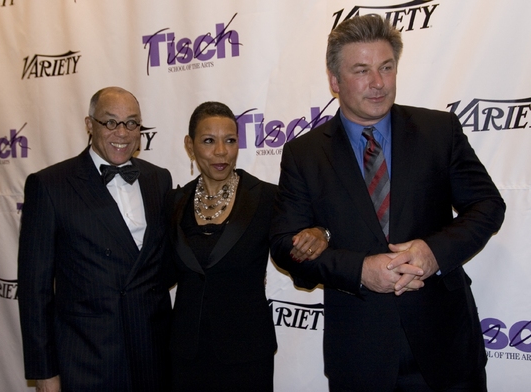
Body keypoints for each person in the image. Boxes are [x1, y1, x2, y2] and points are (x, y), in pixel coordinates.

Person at [270, 15, 505, 392]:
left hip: (446, 349)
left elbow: (487, 205)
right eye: (361, 70)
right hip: (361, 355)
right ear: (334, 80)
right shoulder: (305, 154)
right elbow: (285, 245)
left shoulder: (438, 130)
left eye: (386, 68)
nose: (378, 83)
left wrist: (434, 253)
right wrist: (360, 269)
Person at [17, 87, 174, 392]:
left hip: (153, 356)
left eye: (132, 123)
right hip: (87, 362)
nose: (122, 133)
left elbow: (164, 264)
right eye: (110, 122)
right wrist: (45, 374)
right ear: (89, 125)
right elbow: (34, 291)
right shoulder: (50, 185)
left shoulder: (159, 179)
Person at [165, 101, 326, 391]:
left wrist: (320, 234)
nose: (221, 152)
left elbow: (302, 251)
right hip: (186, 354)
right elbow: (161, 273)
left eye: (230, 140)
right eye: (208, 141)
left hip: (247, 353)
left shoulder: (267, 197)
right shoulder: (174, 203)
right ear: (190, 146)